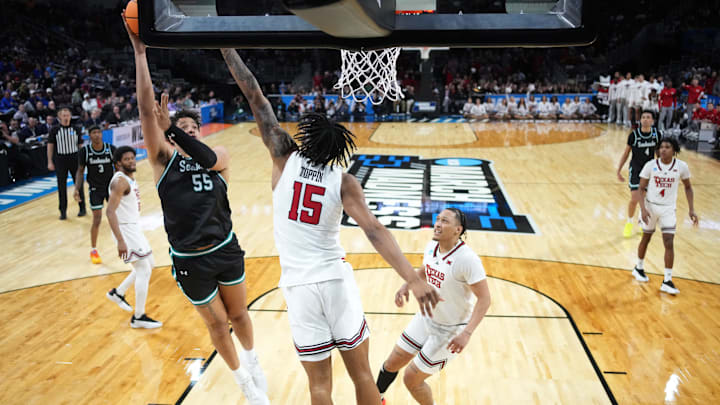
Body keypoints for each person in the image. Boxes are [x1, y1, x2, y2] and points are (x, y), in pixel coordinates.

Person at [221, 47, 439, 405]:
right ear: (339, 152)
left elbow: (255, 95)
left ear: (305, 136)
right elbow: (374, 231)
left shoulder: (282, 154)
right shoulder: (343, 181)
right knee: (363, 375)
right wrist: (412, 279)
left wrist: (226, 48)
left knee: (320, 386)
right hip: (335, 281)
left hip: (298, 287)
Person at [123, 19, 269, 405]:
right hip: (190, 257)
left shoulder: (218, 158)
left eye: (191, 127)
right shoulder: (161, 159)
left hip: (224, 247)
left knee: (239, 317)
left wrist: (175, 129)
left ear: (198, 132)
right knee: (218, 324)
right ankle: (244, 385)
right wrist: (141, 54)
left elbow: (204, 154)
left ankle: (254, 363)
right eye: (179, 125)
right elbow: (144, 108)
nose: (184, 130)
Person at [375, 208, 491, 405]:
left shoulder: (467, 259)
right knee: (392, 363)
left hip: (450, 331)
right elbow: (426, 268)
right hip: (426, 317)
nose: (437, 224)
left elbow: (485, 299)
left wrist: (466, 333)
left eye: (444, 221)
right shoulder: (431, 246)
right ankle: (376, 400)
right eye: (437, 219)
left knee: (412, 379)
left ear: (457, 229)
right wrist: (407, 285)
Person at [104, 146, 162, 328]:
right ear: (118, 163)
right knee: (144, 269)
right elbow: (110, 211)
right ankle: (139, 317)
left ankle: (118, 293)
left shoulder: (129, 178)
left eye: (132, 158)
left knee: (149, 264)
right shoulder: (120, 182)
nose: (131, 161)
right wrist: (120, 240)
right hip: (125, 231)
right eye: (126, 159)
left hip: (133, 228)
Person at [631, 138, 698, 295]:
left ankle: (667, 280)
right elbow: (640, 189)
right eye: (661, 147)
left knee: (669, 241)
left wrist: (691, 209)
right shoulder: (651, 165)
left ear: (674, 150)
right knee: (646, 238)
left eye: (667, 147)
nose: (663, 150)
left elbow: (688, 188)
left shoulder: (682, 167)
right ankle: (638, 267)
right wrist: (643, 209)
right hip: (650, 206)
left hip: (668, 208)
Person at [74, 126, 116, 264]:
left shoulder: (111, 149)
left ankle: (124, 243)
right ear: (90, 136)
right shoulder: (84, 152)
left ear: (102, 134)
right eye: (94, 133)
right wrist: (76, 189)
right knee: (97, 219)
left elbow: (118, 168)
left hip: (111, 188)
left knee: (118, 216)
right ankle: (93, 249)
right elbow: (80, 171)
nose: (97, 135)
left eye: (99, 132)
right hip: (95, 189)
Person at [616, 110, 660, 238]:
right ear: (640, 120)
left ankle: (641, 222)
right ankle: (629, 223)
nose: (646, 119)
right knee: (635, 199)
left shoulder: (657, 135)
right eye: (643, 117)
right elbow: (626, 153)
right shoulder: (634, 135)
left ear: (652, 121)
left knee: (645, 199)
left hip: (649, 171)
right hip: (635, 169)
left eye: (648, 117)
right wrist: (619, 169)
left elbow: (659, 153)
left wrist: (662, 169)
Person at [47, 107, 86, 219]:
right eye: (63, 115)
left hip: (75, 158)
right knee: (61, 186)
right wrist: (50, 161)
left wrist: (82, 160)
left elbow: (80, 146)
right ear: (59, 117)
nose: (66, 117)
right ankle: (63, 211)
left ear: (70, 116)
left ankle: (82, 207)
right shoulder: (54, 130)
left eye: (67, 115)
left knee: (78, 184)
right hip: (60, 160)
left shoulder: (76, 129)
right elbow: (50, 146)